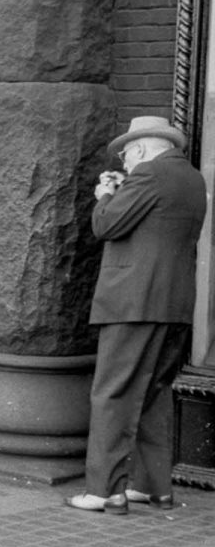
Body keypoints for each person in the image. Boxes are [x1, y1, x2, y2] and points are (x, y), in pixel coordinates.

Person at [65, 116, 207, 514]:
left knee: (112, 394)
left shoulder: (148, 175)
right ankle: (153, 487)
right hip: (175, 303)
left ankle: (104, 490)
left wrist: (105, 195)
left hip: (133, 302)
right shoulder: (193, 180)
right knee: (153, 395)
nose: (126, 162)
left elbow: (107, 225)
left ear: (141, 148)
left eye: (126, 155)